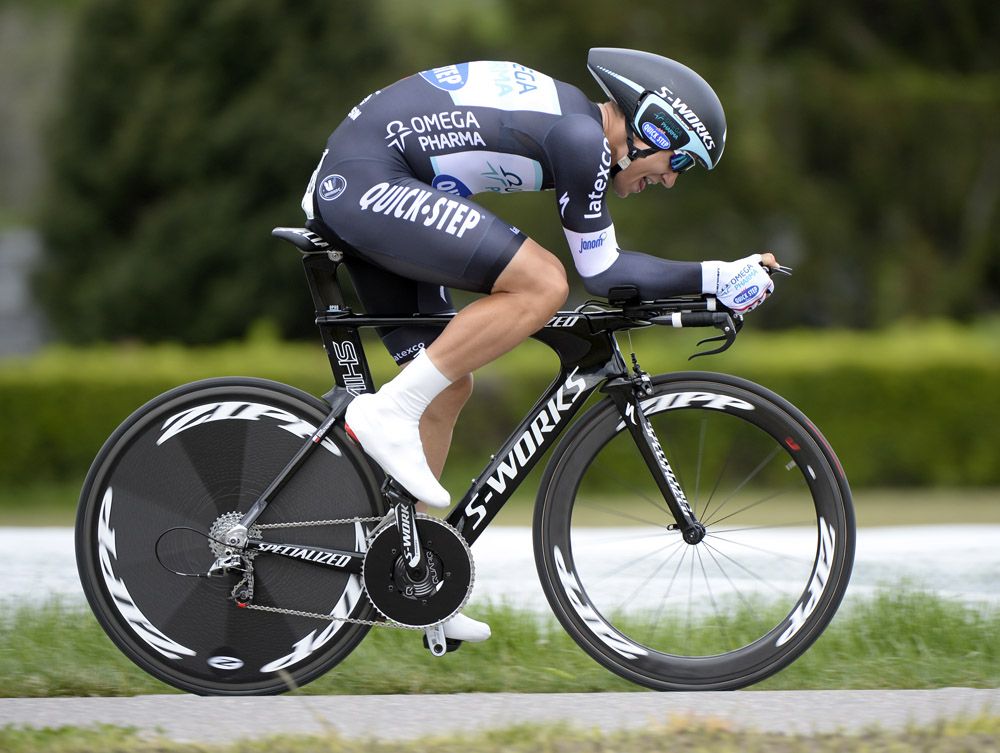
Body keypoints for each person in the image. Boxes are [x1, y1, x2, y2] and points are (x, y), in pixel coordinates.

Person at [301, 48, 780, 645]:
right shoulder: (581, 138)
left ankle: (421, 578)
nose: (673, 176)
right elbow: (600, 272)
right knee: (543, 282)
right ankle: (388, 412)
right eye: (677, 156)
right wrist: (714, 277)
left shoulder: (573, 124)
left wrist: (707, 284)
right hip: (369, 179)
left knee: (448, 386)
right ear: (649, 127)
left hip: (376, 179)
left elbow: (610, 271)